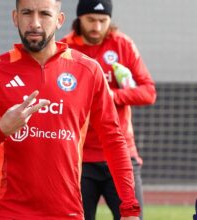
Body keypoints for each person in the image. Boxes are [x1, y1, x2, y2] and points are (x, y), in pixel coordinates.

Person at [0, 0, 141, 219]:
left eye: (44, 14)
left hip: (66, 212)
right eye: (27, 13)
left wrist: (129, 206)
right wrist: (1, 128)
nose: (35, 23)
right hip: (7, 211)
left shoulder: (88, 70)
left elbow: (113, 140)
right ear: (15, 17)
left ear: (59, 20)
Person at [60, 0, 156, 219]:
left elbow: (148, 92)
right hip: (79, 158)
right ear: (79, 19)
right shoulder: (65, 49)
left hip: (122, 154)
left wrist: (112, 95)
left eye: (103, 21)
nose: (97, 27)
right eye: (91, 20)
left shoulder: (123, 44)